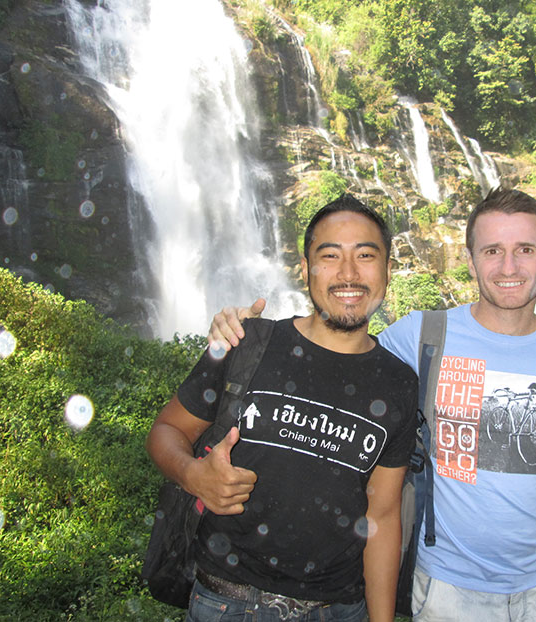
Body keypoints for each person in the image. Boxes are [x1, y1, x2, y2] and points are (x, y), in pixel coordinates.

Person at [208, 187, 536, 622]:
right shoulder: (421, 336)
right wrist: (241, 332)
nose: (509, 267)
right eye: (492, 250)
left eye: (525, 250)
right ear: (469, 260)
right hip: (445, 588)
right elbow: (334, 356)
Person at [146, 194, 419, 622]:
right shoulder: (247, 343)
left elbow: (381, 515)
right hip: (229, 602)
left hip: (339, 609)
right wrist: (193, 475)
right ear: (306, 269)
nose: (348, 273)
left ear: (387, 270)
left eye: (366, 256)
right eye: (330, 256)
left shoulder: (399, 383)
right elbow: (166, 431)